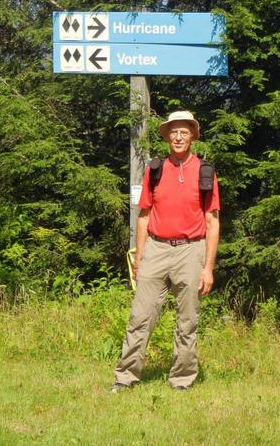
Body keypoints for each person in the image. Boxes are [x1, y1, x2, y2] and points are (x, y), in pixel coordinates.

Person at [112, 110, 220, 392]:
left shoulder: (205, 172)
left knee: (188, 321)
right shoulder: (155, 169)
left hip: (191, 251)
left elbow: (212, 220)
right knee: (140, 317)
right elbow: (144, 216)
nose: (179, 136)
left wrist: (208, 267)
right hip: (156, 250)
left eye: (184, 131)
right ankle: (125, 378)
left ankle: (181, 380)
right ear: (167, 136)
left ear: (193, 136)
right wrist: (140, 256)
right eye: (174, 131)